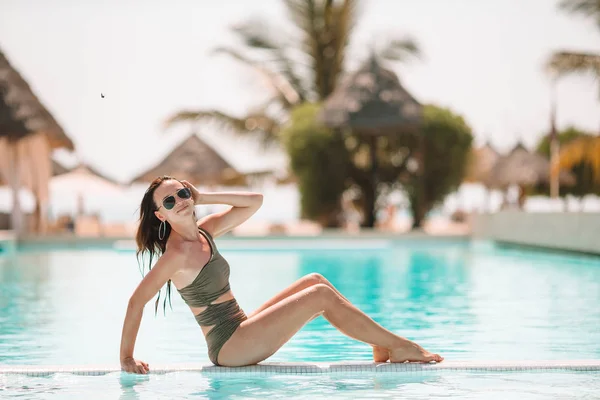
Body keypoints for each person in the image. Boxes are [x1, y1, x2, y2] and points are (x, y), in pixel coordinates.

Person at [120, 176, 443, 374]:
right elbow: (136, 302)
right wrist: (127, 358)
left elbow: (255, 202)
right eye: (169, 201)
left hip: (241, 328)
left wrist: (206, 196)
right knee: (320, 297)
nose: (179, 202)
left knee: (313, 280)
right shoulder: (175, 254)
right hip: (230, 348)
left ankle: (381, 345)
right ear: (160, 214)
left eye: (183, 194)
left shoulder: (206, 232)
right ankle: (400, 346)